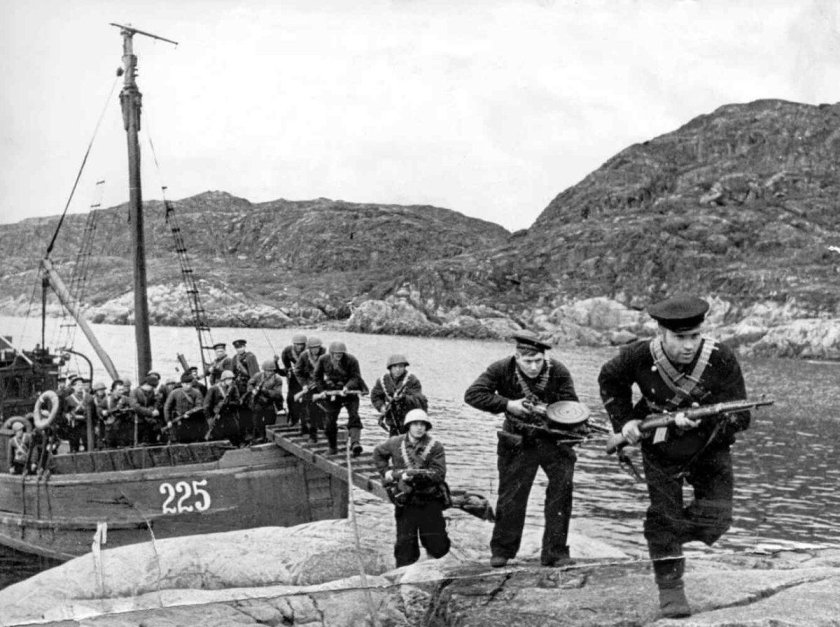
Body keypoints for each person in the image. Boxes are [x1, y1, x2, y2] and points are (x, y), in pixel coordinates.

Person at [598, 295, 751, 619]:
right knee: (665, 515)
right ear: (661, 333)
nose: (689, 345)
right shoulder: (639, 355)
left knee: (718, 521)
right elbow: (610, 380)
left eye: (694, 336)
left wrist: (702, 421)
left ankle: (661, 532)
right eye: (680, 338)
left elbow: (741, 416)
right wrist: (625, 422)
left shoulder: (721, 358)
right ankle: (671, 590)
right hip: (661, 447)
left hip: (709, 448)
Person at [464, 330, 580, 568]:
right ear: (517, 357)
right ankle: (502, 550)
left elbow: (572, 405)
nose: (534, 367)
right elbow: (473, 395)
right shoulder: (501, 369)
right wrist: (508, 404)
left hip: (554, 440)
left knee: (561, 494)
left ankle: (555, 553)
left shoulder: (558, 371)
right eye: (528, 361)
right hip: (517, 440)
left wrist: (552, 413)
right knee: (511, 496)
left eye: (538, 360)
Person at [372, 408, 451, 567]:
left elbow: (439, 474)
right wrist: (386, 472)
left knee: (437, 543)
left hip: (429, 499)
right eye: (415, 424)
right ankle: (404, 574)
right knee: (405, 545)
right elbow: (378, 453)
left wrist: (415, 476)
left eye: (423, 424)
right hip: (406, 499)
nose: (419, 428)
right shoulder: (395, 442)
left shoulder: (435, 447)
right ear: (408, 425)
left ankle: (435, 570)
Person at [313, 341, 369, 456]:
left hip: (350, 391)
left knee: (354, 416)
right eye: (336, 353)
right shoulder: (323, 359)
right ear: (331, 353)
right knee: (330, 420)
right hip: (332, 392)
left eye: (341, 353)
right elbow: (317, 376)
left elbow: (356, 377)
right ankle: (332, 447)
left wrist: (347, 387)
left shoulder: (352, 360)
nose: (338, 355)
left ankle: (355, 443)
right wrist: (322, 391)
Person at [371, 354, 427, 436]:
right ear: (390, 368)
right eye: (395, 367)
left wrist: (403, 398)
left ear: (404, 367)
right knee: (394, 441)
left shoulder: (412, 380)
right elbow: (375, 396)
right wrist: (381, 407)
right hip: (393, 419)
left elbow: (418, 399)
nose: (398, 369)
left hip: (410, 419)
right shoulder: (382, 381)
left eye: (401, 366)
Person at [293, 337, 327, 444]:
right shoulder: (304, 356)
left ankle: (323, 428)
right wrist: (304, 384)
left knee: (324, 407)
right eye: (313, 348)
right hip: (309, 384)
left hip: (322, 385)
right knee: (308, 407)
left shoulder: (326, 355)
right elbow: (297, 371)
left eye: (317, 347)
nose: (315, 350)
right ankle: (308, 431)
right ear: (309, 348)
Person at [247, 360, 285, 442]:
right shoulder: (258, 376)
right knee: (256, 420)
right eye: (267, 371)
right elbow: (250, 383)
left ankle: (268, 438)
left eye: (271, 371)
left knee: (270, 421)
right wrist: (253, 390)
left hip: (270, 402)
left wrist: (265, 391)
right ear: (264, 370)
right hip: (258, 401)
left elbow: (277, 394)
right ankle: (259, 437)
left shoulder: (277, 379)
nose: (269, 373)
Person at [204, 369, 243, 445]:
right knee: (218, 435)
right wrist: (209, 418)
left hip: (229, 414)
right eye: (228, 379)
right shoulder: (213, 389)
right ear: (223, 380)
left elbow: (238, 401)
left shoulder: (233, 387)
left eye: (231, 379)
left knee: (235, 432)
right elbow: (206, 405)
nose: (230, 381)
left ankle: (236, 446)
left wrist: (228, 403)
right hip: (217, 415)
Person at [163, 373, 205, 443]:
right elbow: (167, 407)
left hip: (193, 420)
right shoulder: (174, 393)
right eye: (186, 384)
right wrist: (168, 420)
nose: (188, 386)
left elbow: (199, 406)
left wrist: (190, 413)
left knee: (194, 439)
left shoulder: (197, 392)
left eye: (190, 384)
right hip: (179, 420)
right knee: (178, 440)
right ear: (182, 384)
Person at [281, 334, 308, 432]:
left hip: (306, 378)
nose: (299, 347)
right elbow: (285, 359)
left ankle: (306, 423)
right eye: (297, 344)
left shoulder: (309, 352)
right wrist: (288, 369)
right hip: (294, 377)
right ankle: (293, 419)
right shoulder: (288, 351)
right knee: (290, 399)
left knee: (305, 401)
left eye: (301, 344)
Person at [61, 375, 90, 453]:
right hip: (74, 424)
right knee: (74, 445)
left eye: (81, 385)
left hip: (86, 424)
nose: (80, 387)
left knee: (87, 444)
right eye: (78, 385)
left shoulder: (88, 397)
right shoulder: (68, 399)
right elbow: (65, 412)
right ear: (73, 387)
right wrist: (68, 416)